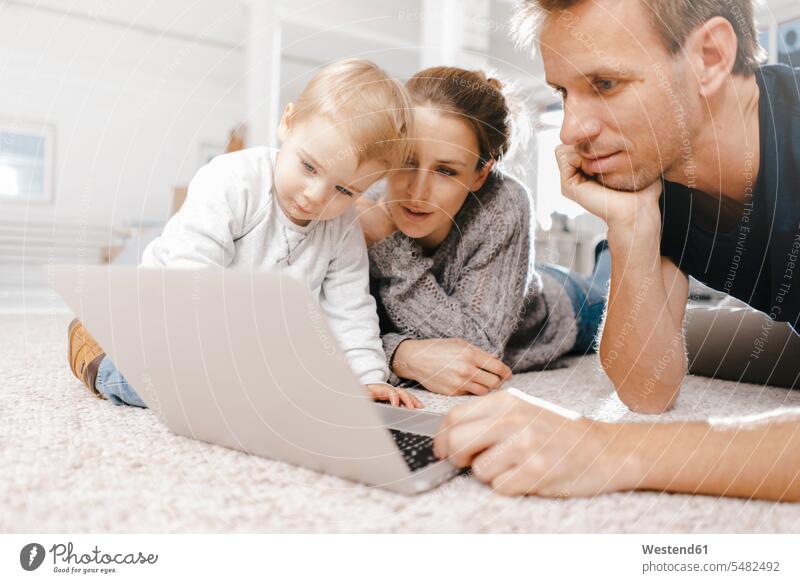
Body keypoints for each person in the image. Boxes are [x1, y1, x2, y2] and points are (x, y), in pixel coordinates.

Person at [434, 0, 800, 501]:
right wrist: (630, 226)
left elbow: (635, 426)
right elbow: (647, 391)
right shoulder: (666, 180)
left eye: (605, 85)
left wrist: (612, 449)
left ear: (710, 57)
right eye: (564, 92)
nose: (570, 131)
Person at [67, 58, 421, 409]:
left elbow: (350, 308)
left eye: (344, 191)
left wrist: (368, 378)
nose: (315, 196)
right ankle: (98, 352)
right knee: (172, 391)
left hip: (249, 347)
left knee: (298, 391)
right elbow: (192, 272)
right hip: (168, 317)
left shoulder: (342, 229)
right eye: (309, 166)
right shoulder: (233, 180)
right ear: (288, 123)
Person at [357, 66, 610, 397]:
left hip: (560, 303)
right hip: (503, 275)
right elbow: (319, 325)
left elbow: (476, 349)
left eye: (445, 171)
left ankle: (609, 251)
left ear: (480, 174)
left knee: (612, 291)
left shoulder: (502, 204)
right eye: (406, 159)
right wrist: (402, 354)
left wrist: (390, 250)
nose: (417, 192)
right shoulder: (363, 200)